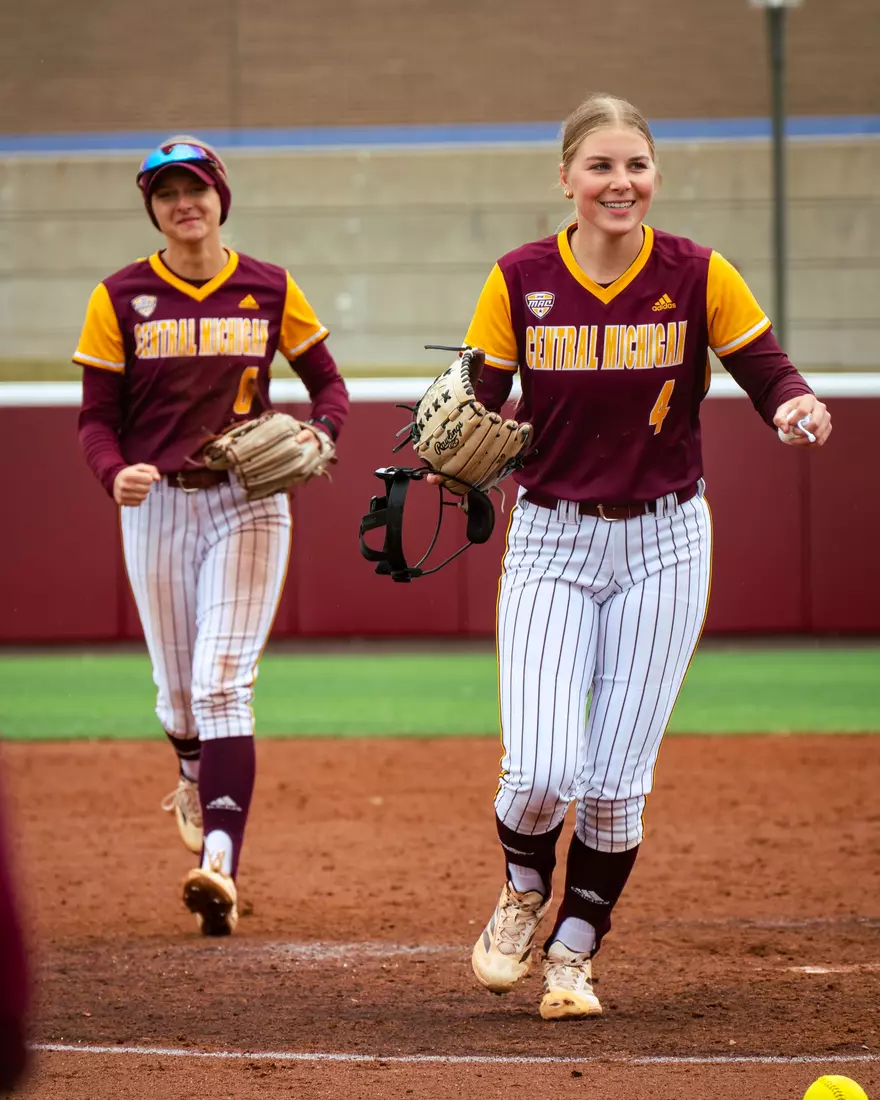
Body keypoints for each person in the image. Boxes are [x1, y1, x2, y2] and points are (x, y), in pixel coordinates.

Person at [462, 93, 831, 1019]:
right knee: (542, 771)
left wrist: (793, 406)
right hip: (551, 535)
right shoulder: (519, 279)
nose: (620, 182)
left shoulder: (698, 273)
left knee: (617, 783)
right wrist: (440, 454)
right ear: (567, 179)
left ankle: (574, 957)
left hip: (667, 539)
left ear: (653, 175)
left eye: (636, 165)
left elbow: (767, 369)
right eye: (600, 166)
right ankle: (521, 891)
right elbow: (473, 394)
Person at [74, 136, 349, 935]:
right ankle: (193, 770)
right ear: (153, 208)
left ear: (220, 198)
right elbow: (95, 418)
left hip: (248, 498)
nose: (183, 204)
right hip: (157, 502)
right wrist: (111, 471)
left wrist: (321, 432)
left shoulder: (268, 286)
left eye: (195, 189)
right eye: (166, 194)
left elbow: (327, 382)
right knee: (178, 696)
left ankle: (220, 862)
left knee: (224, 679)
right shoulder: (121, 295)